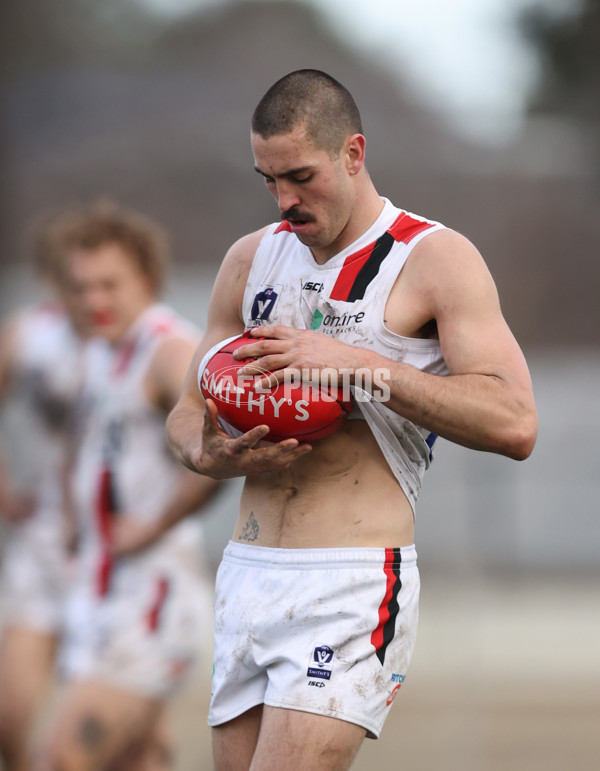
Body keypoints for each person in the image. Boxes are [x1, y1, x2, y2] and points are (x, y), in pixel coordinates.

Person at [166, 69, 538, 771]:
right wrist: (209, 454)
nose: (285, 201)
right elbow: (187, 413)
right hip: (246, 573)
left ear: (353, 153)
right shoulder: (250, 259)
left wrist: (354, 364)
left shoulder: (435, 260)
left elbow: (516, 421)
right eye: (268, 179)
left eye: (300, 176)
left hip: (347, 580)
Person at [36, 202, 220, 771]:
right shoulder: (97, 350)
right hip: (98, 589)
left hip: (150, 598)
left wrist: (154, 524)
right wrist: (71, 512)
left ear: (147, 277)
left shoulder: (167, 350)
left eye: (109, 284)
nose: (94, 300)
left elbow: (217, 451)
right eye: (81, 286)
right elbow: (82, 442)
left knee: (64, 758)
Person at [0, 219, 89, 771]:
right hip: (42, 537)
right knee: (10, 718)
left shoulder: (152, 341)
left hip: (118, 554)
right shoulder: (28, 334)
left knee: (125, 743)